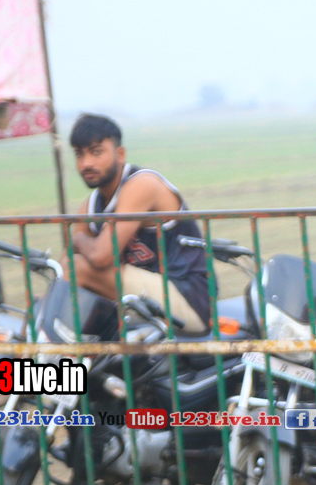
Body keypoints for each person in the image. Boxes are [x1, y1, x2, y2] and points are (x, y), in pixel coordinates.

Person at [68, 114, 211, 334]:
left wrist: (79, 238)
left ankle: (40, 349)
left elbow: (101, 256)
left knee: (78, 268)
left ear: (120, 154)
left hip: (189, 300)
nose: (86, 163)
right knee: (62, 284)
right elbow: (65, 264)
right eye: (79, 154)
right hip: (142, 302)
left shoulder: (142, 184)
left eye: (96, 152)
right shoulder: (91, 205)